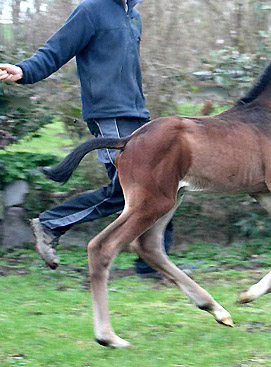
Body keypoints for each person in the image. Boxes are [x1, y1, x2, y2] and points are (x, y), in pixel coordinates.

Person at [0, 0, 172, 275]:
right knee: (132, 190)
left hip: (137, 113)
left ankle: (151, 265)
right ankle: (51, 223)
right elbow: (56, 49)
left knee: (162, 183)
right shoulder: (91, 10)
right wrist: (24, 71)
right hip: (108, 113)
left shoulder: (133, 16)